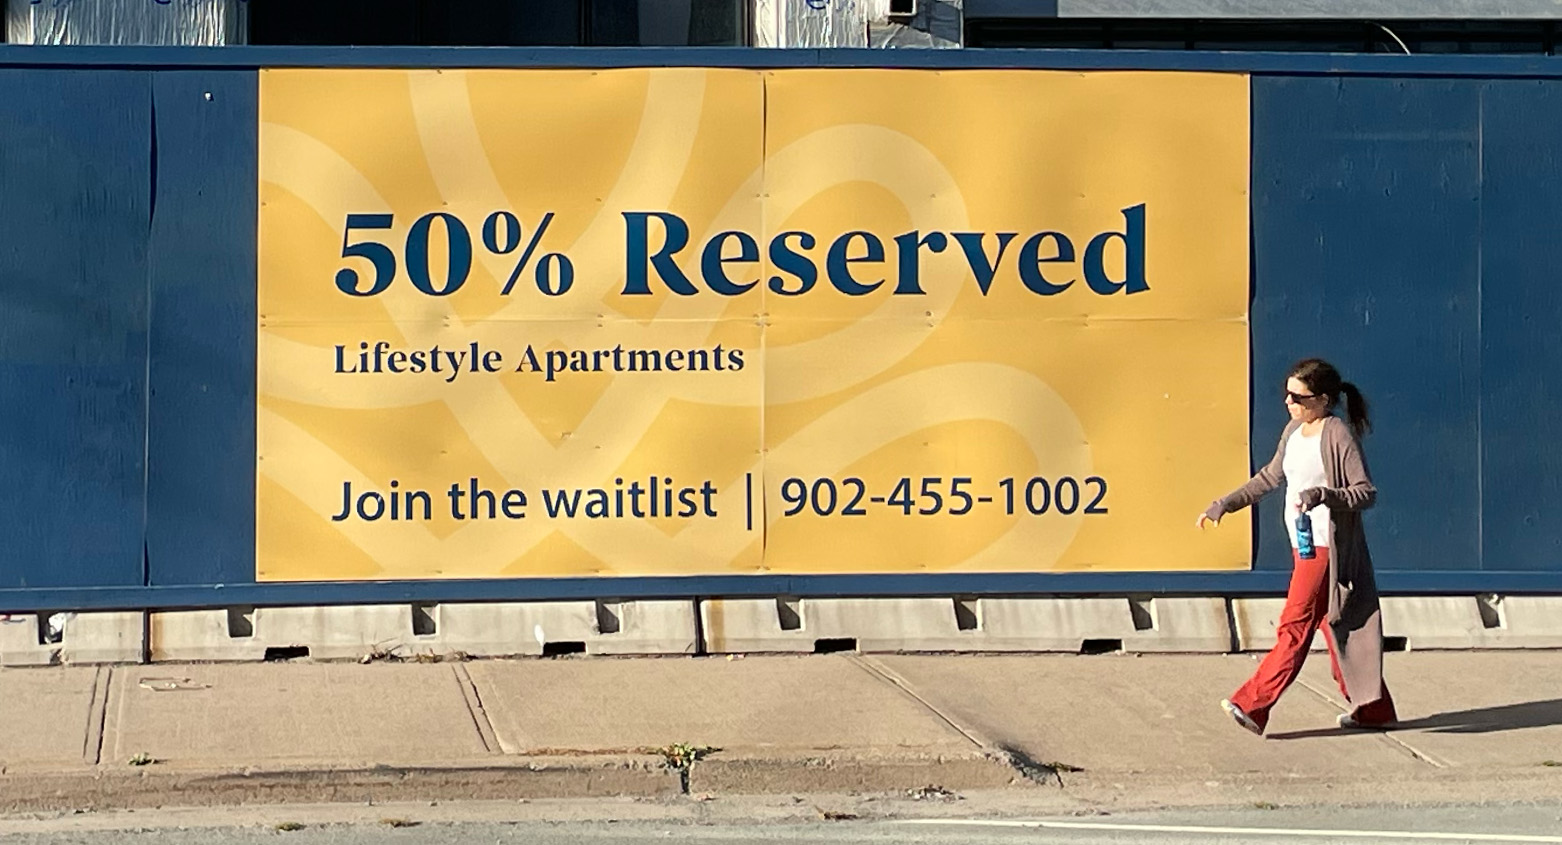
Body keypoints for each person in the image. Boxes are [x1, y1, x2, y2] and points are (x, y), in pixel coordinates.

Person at [1196, 358, 1397, 736]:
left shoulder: (1336, 434)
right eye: (1286, 395)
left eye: (1298, 397)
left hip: (1326, 548)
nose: (1289, 403)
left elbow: (1365, 492)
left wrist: (1325, 495)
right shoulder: (1294, 430)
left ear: (1322, 400)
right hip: (1303, 545)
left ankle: (1253, 704)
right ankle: (1374, 710)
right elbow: (1270, 477)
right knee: (1330, 627)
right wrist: (1225, 503)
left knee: (1294, 626)